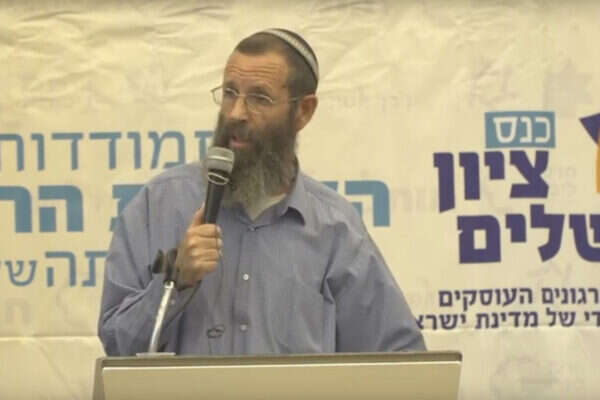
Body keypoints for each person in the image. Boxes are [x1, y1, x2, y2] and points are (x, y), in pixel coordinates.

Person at [98, 28, 426, 356]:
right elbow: (116, 345)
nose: (236, 113)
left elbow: (400, 358)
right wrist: (175, 283)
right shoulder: (159, 204)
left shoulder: (335, 229)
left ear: (304, 111)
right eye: (230, 92)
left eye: (259, 98)